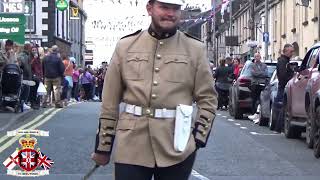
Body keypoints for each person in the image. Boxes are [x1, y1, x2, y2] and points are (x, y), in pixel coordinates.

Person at [90, 1, 217, 180]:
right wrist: (103, 146)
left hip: (176, 146)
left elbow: (208, 98)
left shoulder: (195, 49)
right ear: (149, 8)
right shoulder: (125, 46)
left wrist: (197, 138)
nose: (170, 13)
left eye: (175, 9)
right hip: (131, 144)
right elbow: (110, 101)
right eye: (164, 7)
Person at [274, 44, 295, 133]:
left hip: (284, 87)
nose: (292, 53)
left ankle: (279, 128)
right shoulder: (283, 62)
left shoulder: (286, 61)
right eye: (291, 51)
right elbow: (283, 75)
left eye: (293, 51)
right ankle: (279, 128)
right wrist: (291, 77)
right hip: (283, 87)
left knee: (283, 107)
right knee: (283, 107)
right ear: (285, 51)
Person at [248, 52, 268, 120]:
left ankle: (259, 113)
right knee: (254, 99)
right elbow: (253, 73)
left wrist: (258, 74)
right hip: (255, 84)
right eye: (256, 56)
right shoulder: (252, 65)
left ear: (260, 57)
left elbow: (266, 74)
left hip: (262, 84)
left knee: (261, 99)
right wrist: (260, 73)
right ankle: (253, 112)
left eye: (258, 56)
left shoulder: (264, 65)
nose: (257, 58)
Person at [18, 43, 33, 110]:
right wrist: (28, 74)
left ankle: (23, 103)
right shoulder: (23, 55)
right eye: (30, 48)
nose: (31, 49)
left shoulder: (27, 55)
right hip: (24, 75)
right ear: (28, 48)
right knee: (25, 90)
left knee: (26, 89)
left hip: (26, 75)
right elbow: (25, 66)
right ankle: (22, 103)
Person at [30, 45, 43, 110]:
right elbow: (30, 65)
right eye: (33, 50)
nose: (34, 51)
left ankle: (37, 104)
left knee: (38, 91)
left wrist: (41, 76)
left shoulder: (39, 59)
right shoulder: (31, 58)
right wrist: (34, 58)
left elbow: (40, 68)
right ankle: (33, 103)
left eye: (35, 50)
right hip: (33, 77)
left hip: (38, 77)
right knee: (33, 91)